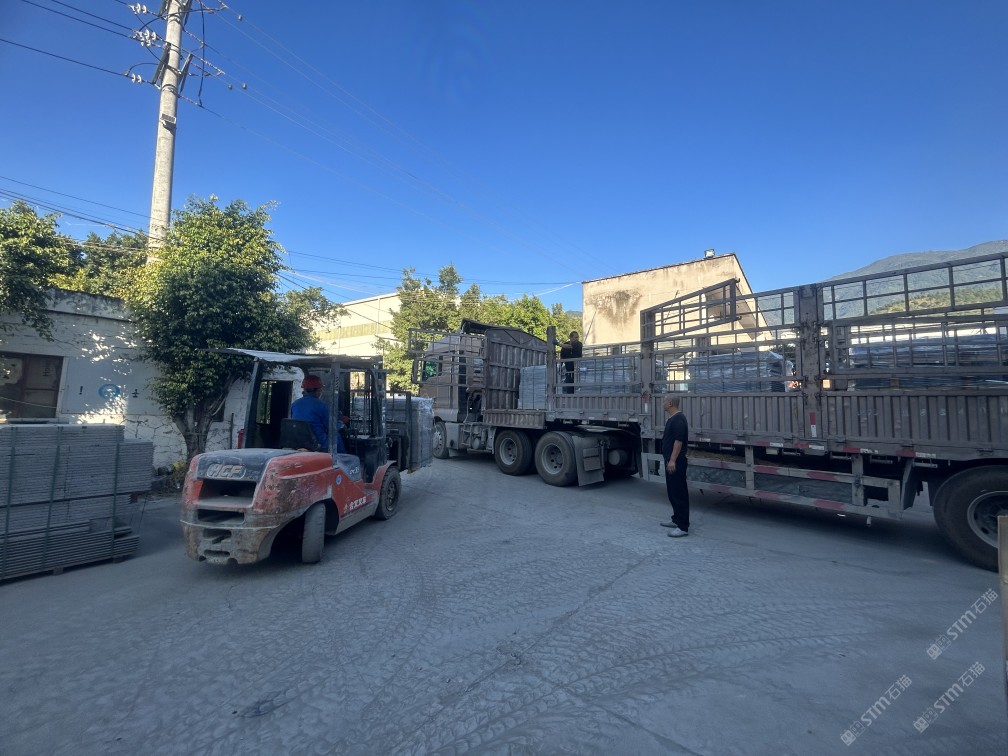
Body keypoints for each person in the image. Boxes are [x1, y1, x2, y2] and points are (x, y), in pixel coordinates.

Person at [290, 374, 347, 453]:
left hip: (299, 440)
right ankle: (343, 459)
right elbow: (331, 427)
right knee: (336, 437)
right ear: (318, 391)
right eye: (320, 390)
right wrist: (341, 422)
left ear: (304, 390)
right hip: (318, 441)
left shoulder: (295, 404)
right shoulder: (322, 405)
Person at [660, 394, 690, 537]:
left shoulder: (678, 419)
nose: (663, 404)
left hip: (676, 462)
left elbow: (678, 442)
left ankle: (683, 527)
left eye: (664, 401)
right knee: (672, 492)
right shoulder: (672, 418)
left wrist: (672, 460)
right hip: (671, 461)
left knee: (679, 493)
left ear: (670, 403)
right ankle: (676, 519)